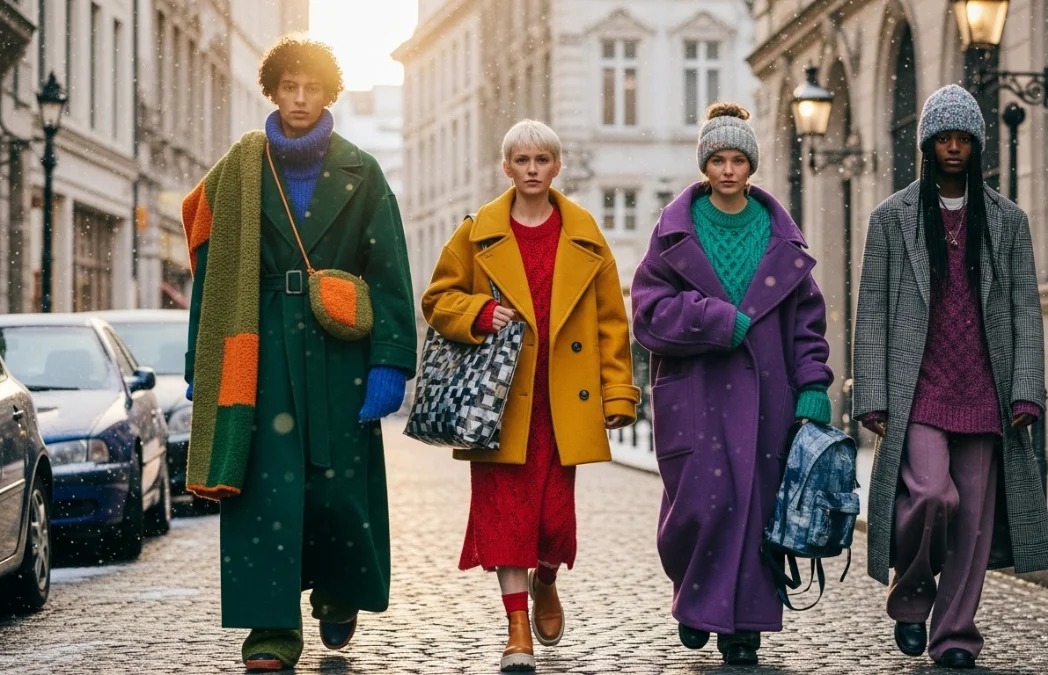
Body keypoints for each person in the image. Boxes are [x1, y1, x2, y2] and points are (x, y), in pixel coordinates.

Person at [182, 36, 417, 671]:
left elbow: (389, 270)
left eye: (311, 88)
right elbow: (211, 274)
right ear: (274, 90)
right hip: (257, 349)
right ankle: (271, 627)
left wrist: (390, 360)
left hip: (339, 351)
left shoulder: (363, 171)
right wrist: (201, 363)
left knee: (338, 489)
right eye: (289, 87)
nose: (299, 99)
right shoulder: (239, 171)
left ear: (328, 93)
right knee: (265, 493)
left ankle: (339, 593)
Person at [852, 84, 1048, 669]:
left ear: (976, 146)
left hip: (985, 391)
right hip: (917, 389)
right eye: (942, 138)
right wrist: (872, 395)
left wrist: (1025, 389)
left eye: (962, 138)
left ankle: (955, 637)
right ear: (926, 145)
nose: (952, 147)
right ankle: (913, 593)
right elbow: (872, 310)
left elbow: (1025, 310)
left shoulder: (1007, 221)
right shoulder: (891, 219)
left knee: (972, 522)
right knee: (930, 495)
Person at [422, 119, 639, 672]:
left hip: (562, 400)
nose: (533, 170)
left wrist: (618, 393)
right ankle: (516, 627)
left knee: (553, 523)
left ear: (557, 166)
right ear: (507, 168)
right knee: (504, 518)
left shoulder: (585, 233)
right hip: (499, 402)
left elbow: (611, 321)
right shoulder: (477, 232)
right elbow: (438, 299)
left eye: (542, 160)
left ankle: (546, 579)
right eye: (522, 160)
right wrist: (479, 312)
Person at [630, 103, 834, 666]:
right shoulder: (674, 231)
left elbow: (807, 324)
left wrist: (813, 386)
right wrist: (716, 321)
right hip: (695, 391)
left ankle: (742, 627)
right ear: (705, 164)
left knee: (758, 510)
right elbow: (648, 313)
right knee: (701, 505)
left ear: (751, 166)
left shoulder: (780, 236)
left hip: (769, 395)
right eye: (717, 159)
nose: (727, 169)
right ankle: (696, 599)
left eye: (737, 160)